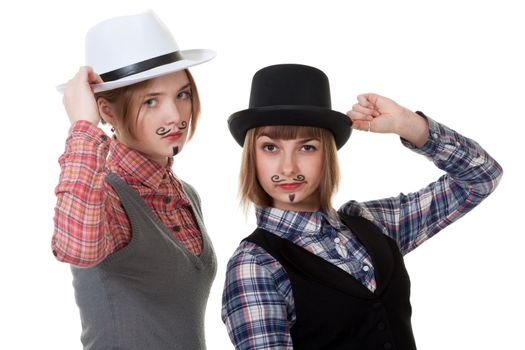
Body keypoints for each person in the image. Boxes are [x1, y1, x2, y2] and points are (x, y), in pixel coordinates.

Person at [221, 64, 503, 349]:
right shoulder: (255, 265)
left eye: (308, 147)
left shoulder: (371, 223)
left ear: (327, 156)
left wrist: (408, 124)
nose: (289, 167)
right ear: (252, 158)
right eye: (271, 147)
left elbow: (481, 177)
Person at [52, 11, 216, 349]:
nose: (175, 115)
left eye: (182, 94)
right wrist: (83, 126)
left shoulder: (186, 195)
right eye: (151, 101)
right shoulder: (108, 194)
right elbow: (75, 247)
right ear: (107, 111)